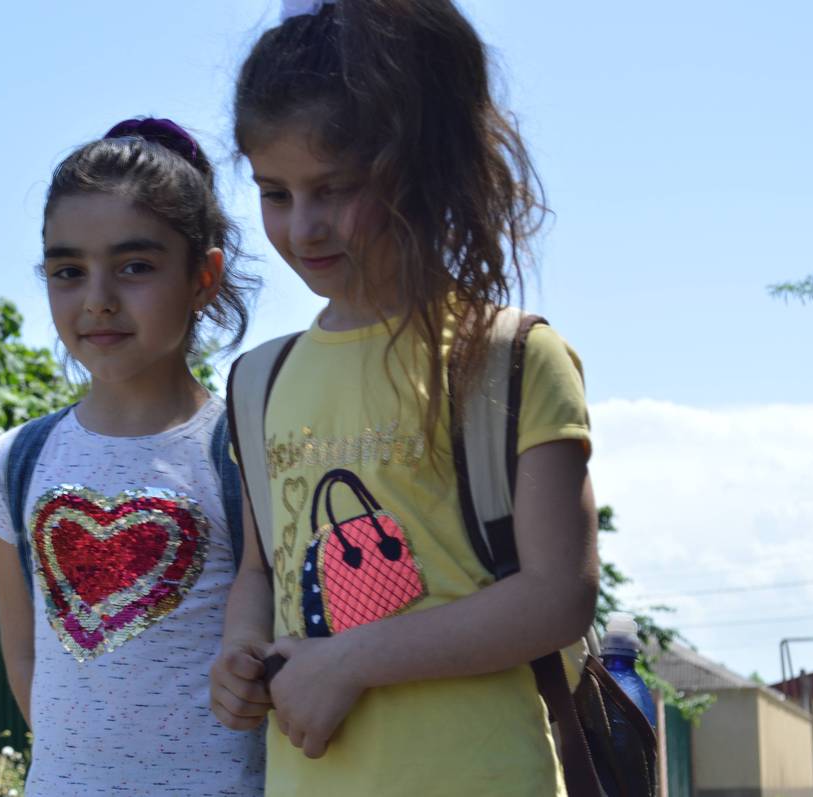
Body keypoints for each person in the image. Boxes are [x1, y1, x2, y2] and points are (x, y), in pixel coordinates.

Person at [209, 1, 599, 794]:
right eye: (275, 193)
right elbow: (259, 569)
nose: (303, 227)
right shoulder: (256, 380)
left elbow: (560, 595)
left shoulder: (511, 355)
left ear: (419, 169)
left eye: (334, 188)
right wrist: (240, 648)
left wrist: (350, 661)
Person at [0, 118, 263, 796]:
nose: (98, 299)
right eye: (68, 271)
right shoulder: (17, 458)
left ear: (203, 277)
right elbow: (23, 658)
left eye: (135, 267)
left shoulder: (247, 452)